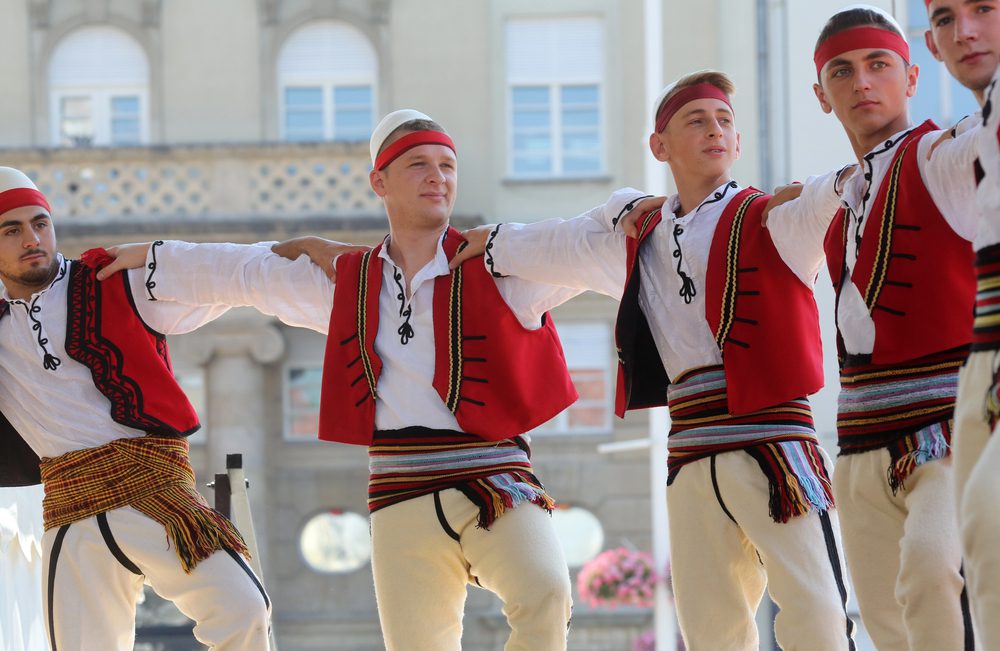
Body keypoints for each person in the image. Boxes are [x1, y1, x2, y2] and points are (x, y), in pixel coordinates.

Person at [99, 109, 578, 651]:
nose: (437, 177)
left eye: (447, 165)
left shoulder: (500, 263)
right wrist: (154, 260)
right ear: (380, 182)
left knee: (546, 592)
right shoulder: (350, 281)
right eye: (419, 164)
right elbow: (245, 271)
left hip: (494, 477)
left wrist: (632, 214)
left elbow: (583, 244)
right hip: (401, 488)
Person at [450, 70, 857, 651]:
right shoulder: (641, 238)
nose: (715, 131)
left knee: (818, 613)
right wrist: (495, 242)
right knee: (709, 627)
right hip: (691, 454)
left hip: (775, 445)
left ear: (738, 142)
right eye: (697, 121)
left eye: (724, 122)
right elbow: (564, 243)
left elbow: (835, 192)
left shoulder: (774, 218)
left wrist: (851, 173)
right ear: (659, 146)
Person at [0, 167, 271, 650]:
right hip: (71, 512)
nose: (32, 239)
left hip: (156, 492)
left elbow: (229, 276)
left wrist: (299, 249)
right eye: (11, 230)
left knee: (243, 608)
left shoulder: (114, 279)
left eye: (40, 223)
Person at [805, 5, 979, 649]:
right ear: (821, 95)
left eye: (878, 65)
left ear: (911, 77)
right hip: (859, 444)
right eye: (841, 72)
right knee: (887, 624)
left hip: (946, 430)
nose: (861, 83)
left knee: (934, 575)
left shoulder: (942, 156)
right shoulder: (837, 205)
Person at [923, 0, 1000, 645]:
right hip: (983, 355)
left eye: (984, 8)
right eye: (946, 19)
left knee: (989, 521)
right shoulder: (977, 129)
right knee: (981, 546)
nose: (964, 31)